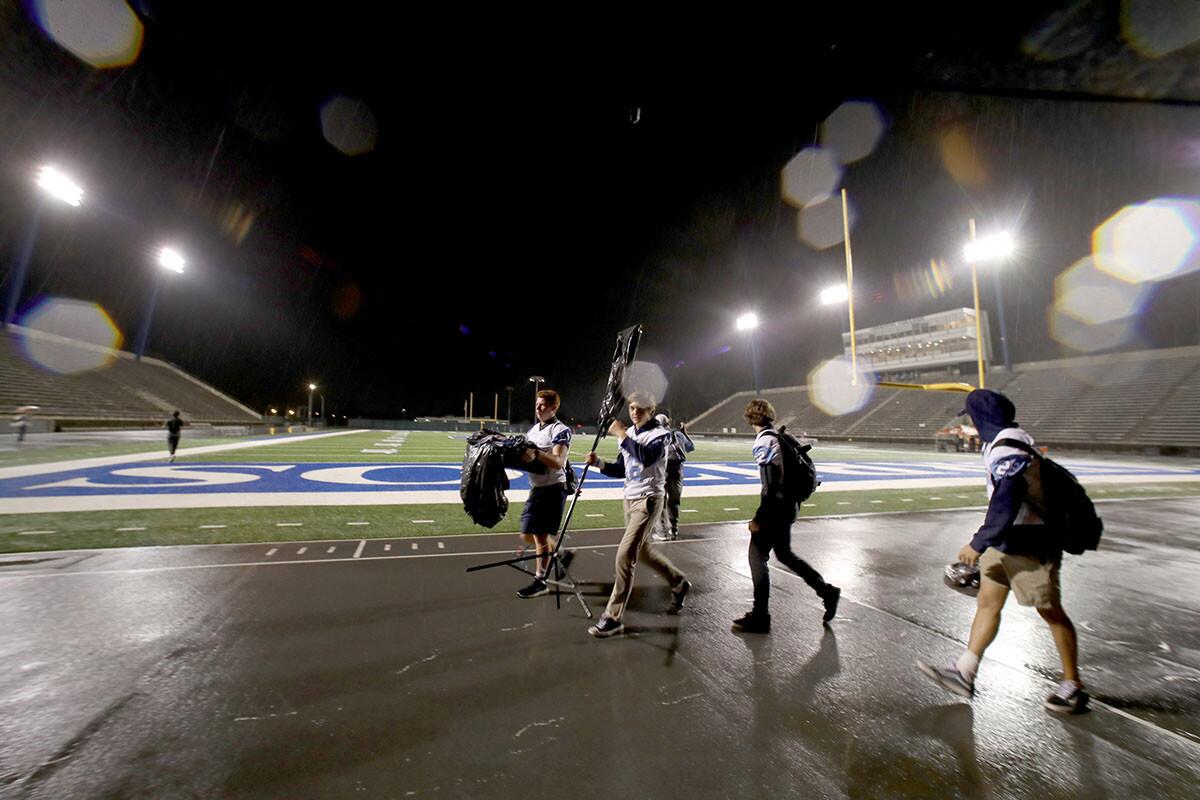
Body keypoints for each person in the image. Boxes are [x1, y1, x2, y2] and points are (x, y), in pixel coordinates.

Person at [917, 389, 1088, 714]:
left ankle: (1073, 686)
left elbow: (1007, 498)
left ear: (981, 417)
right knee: (987, 602)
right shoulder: (1005, 441)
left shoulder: (1008, 447)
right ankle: (965, 671)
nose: (969, 423)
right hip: (1008, 540)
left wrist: (979, 542)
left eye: (971, 417)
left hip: (1030, 542)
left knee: (1050, 611)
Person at [584, 391, 691, 638]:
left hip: (649, 500)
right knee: (643, 553)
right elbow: (623, 468)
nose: (635, 412)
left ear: (651, 411)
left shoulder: (661, 435)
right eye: (632, 408)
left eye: (640, 409)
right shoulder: (631, 433)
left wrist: (621, 434)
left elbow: (645, 458)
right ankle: (679, 582)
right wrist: (599, 463)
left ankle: (613, 617)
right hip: (630, 498)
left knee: (624, 556)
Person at [732, 398, 840, 634]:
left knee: (756, 558)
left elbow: (770, 485)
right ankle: (827, 591)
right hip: (790, 505)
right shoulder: (781, 437)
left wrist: (759, 518)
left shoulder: (765, 441)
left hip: (776, 508)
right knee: (785, 555)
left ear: (750, 418)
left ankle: (761, 617)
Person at [515, 390, 574, 599]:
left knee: (539, 536)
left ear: (553, 407)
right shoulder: (533, 431)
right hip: (537, 488)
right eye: (537, 404)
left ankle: (540, 580)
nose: (538, 408)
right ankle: (560, 554)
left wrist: (537, 453)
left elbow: (558, 462)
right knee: (526, 533)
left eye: (543, 405)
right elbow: (527, 459)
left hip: (553, 488)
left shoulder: (561, 430)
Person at [652, 414, 695, 541]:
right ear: (668, 423)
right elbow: (691, 447)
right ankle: (674, 529)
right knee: (674, 500)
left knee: (660, 500)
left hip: (661, 470)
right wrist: (684, 433)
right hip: (677, 470)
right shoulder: (678, 434)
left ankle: (661, 532)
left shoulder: (656, 435)